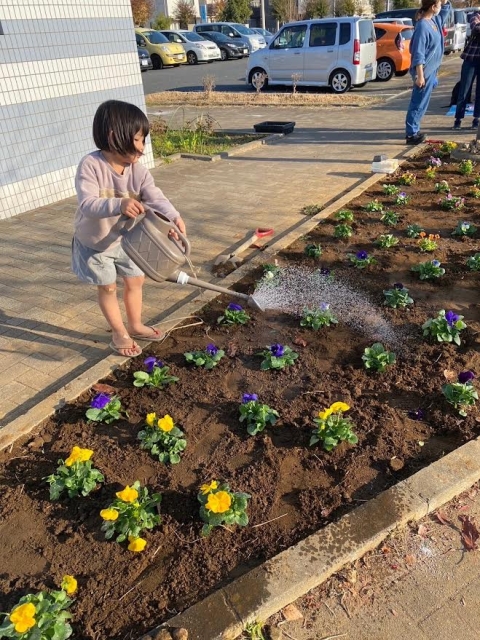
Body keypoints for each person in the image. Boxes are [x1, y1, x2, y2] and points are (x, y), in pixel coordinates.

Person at [72, 100, 186, 357]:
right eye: (137, 140)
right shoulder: (91, 166)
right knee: (109, 287)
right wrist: (120, 204)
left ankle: (135, 325)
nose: (142, 148)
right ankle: (119, 332)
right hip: (95, 243)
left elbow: (155, 197)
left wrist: (174, 217)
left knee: (136, 280)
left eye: (143, 140)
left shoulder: (139, 172)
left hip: (127, 241)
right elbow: (88, 204)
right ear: (113, 137)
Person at [405, 0, 451, 145]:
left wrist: (446, 1)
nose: (440, 6)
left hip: (432, 71)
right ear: (432, 6)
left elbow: (445, 12)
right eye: (438, 4)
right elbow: (418, 53)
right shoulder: (423, 26)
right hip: (423, 72)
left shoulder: (434, 21)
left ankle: (415, 130)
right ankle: (411, 134)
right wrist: (420, 76)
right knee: (418, 103)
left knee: (422, 103)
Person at [452, 11, 480, 130]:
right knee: (464, 90)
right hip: (471, 59)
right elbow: (476, 27)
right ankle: (458, 119)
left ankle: (476, 119)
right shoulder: (476, 15)